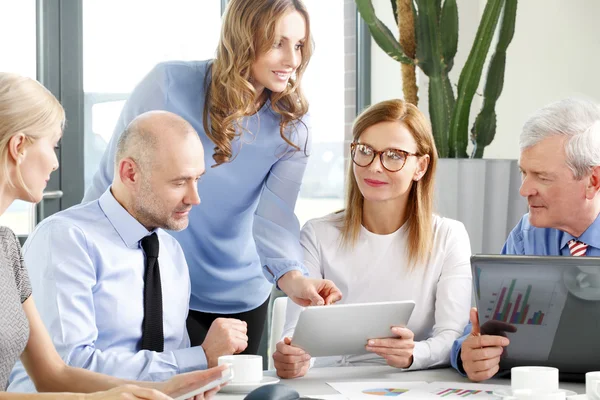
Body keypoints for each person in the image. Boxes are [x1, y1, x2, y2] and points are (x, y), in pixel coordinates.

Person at [82, 0, 341, 355]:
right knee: (156, 387)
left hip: (241, 292)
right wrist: (80, 251)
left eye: (298, 46)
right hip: (158, 281)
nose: (292, 60)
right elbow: (112, 179)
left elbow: (275, 216)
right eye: (278, 43)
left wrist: (294, 280)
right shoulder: (168, 84)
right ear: (244, 37)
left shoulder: (292, 125)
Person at [0, 72, 228, 398]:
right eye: (53, 145)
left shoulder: (7, 246)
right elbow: (67, 366)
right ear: (19, 146)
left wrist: (165, 388)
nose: (55, 163)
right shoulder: (64, 237)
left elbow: (54, 375)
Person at [272, 99, 473, 378]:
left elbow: (451, 334)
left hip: (412, 383)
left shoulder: (449, 237)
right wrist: (293, 356)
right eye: (365, 151)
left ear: (421, 167)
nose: (375, 167)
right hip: (330, 384)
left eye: (394, 155)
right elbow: (297, 332)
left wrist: (415, 353)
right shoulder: (317, 234)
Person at [451, 98, 600, 381]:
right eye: (524, 172)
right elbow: (487, 326)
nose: (524, 190)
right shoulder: (527, 234)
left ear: (593, 181)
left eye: (542, 177)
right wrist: (468, 353)